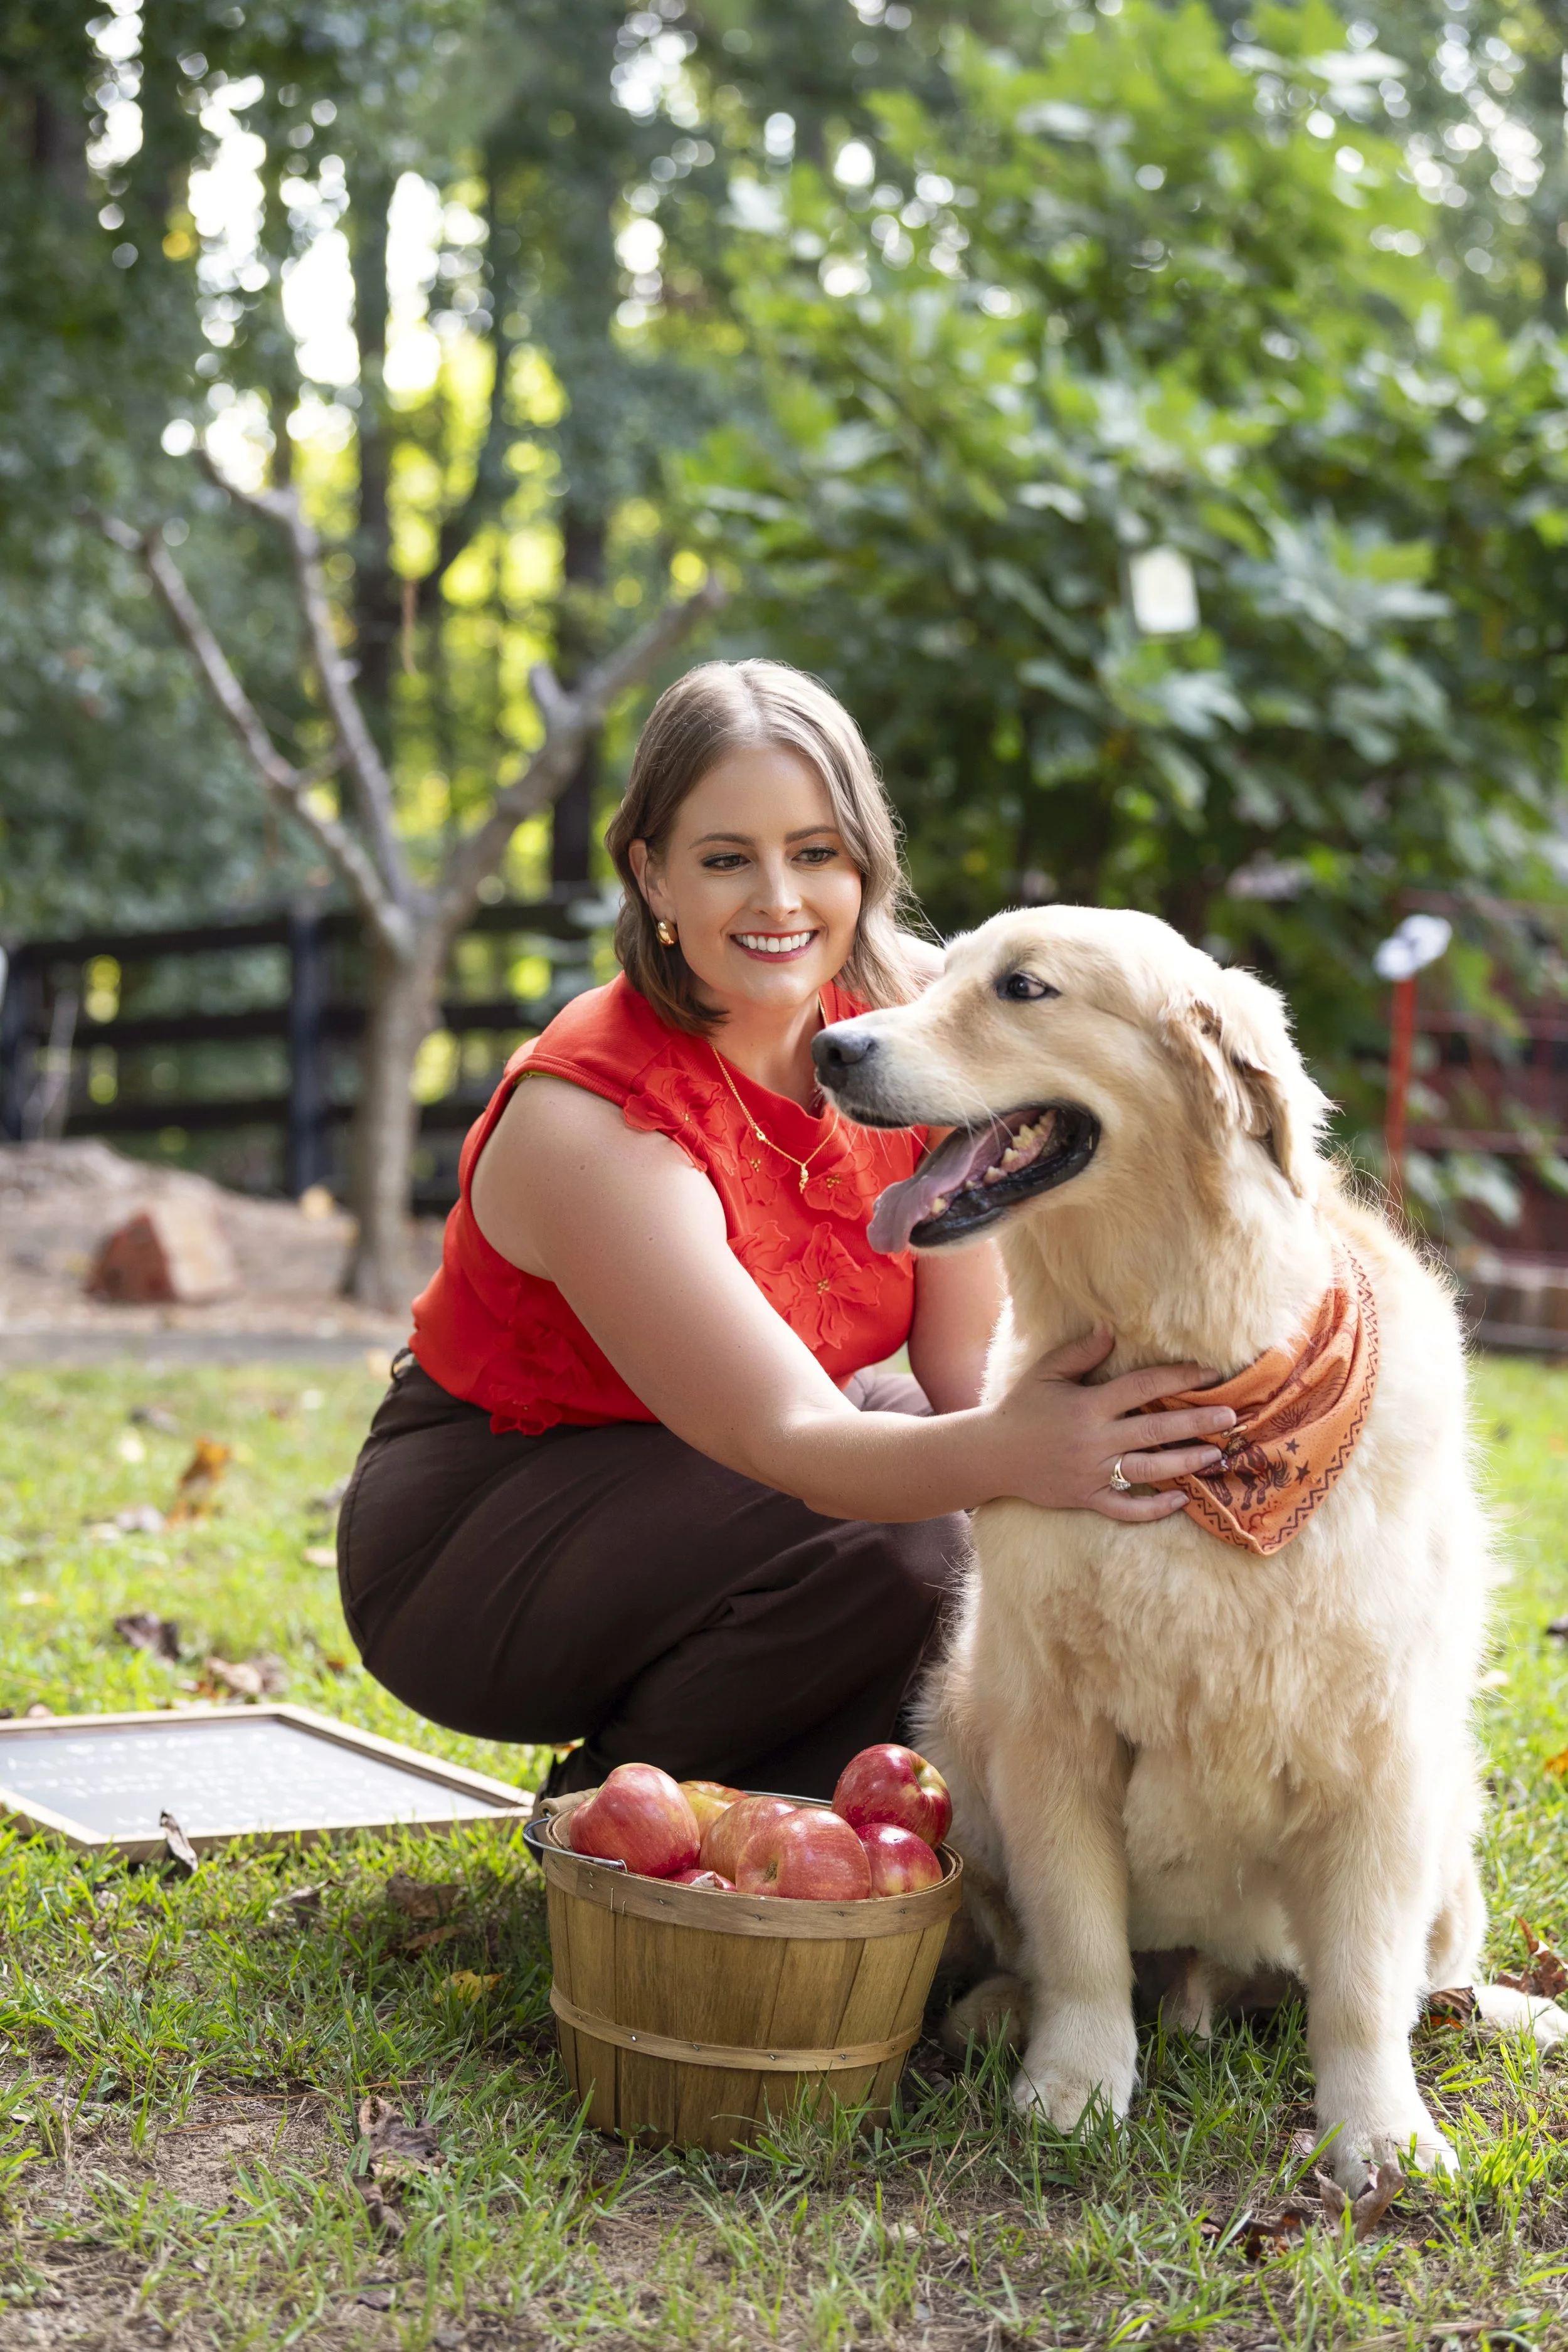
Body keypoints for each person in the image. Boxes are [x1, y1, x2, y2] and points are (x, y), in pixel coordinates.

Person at [336, 661, 1234, 1799]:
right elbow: (794, 1436)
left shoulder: (917, 1022)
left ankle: (944, 1822)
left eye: (816, 853)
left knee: (987, 1486)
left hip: (734, 1461)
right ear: (652, 873)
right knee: (918, 1539)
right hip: (491, 1531)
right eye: (726, 859)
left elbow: (964, 1370)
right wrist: (1020, 1458)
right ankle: (621, 1811)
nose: (779, 901)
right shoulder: (594, 1118)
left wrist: (1090, 1470)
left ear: (864, 861)